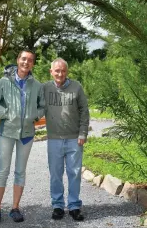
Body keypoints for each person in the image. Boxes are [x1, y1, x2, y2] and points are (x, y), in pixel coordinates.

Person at [0, 49, 45, 224]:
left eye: (30, 60)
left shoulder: (37, 85)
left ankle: (15, 208)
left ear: (33, 64)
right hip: (7, 132)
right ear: (18, 60)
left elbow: (42, 106)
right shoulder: (4, 82)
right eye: (23, 59)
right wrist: (4, 113)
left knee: (20, 171)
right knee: (3, 170)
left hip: (26, 134)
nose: (26, 62)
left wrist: (34, 116)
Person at [44, 58, 90, 221]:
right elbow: (35, 106)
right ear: (51, 72)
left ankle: (74, 206)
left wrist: (83, 133)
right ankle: (57, 206)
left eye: (63, 70)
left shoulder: (76, 87)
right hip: (54, 139)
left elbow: (84, 110)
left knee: (74, 173)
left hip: (74, 139)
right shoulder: (45, 88)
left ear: (67, 72)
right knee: (55, 174)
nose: (60, 73)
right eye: (57, 70)